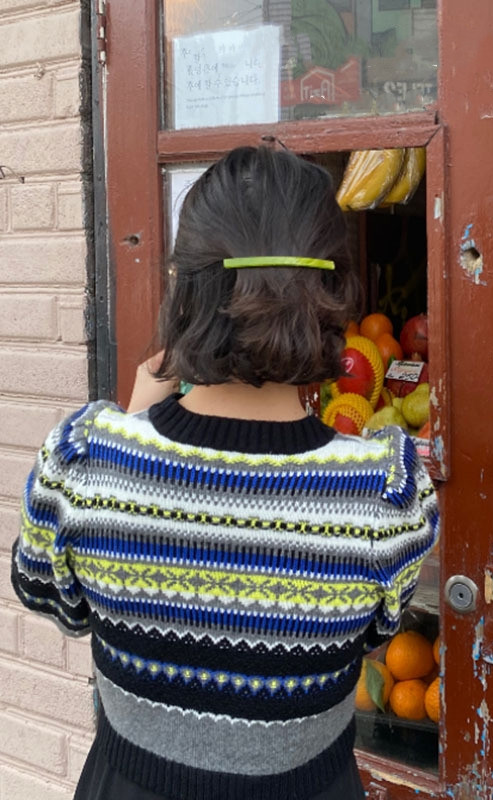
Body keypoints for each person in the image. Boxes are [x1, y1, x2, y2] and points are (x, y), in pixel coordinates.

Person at [11, 145, 440, 800]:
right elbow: (374, 634)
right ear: (334, 297)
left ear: (187, 289)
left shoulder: (82, 459)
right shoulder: (388, 490)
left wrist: (126, 427)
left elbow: (54, 599)